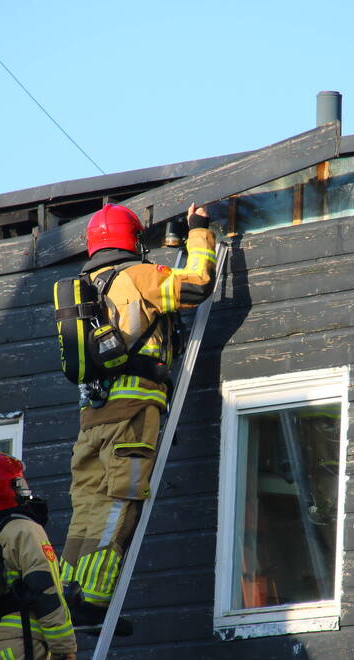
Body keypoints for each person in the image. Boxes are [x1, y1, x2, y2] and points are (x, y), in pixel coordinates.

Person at [60, 202, 216, 627]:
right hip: (133, 408)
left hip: (91, 414)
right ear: (133, 241)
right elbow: (199, 284)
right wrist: (199, 232)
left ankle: (70, 593)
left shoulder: (85, 285)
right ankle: (94, 598)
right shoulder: (140, 276)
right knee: (120, 501)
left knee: (88, 506)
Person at [0, 451, 77, 660]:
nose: (24, 488)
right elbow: (44, 589)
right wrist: (64, 648)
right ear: (9, 487)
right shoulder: (23, 529)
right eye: (19, 482)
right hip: (18, 649)